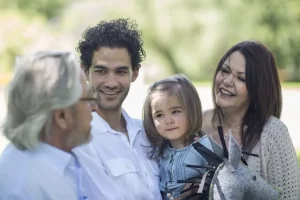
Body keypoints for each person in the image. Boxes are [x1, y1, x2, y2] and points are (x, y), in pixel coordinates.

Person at [74, 18, 162, 200]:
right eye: (101, 71)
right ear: (85, 71)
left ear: (135, 73)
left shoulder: (149, 133)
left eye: (121, 71)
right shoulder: (78, 142)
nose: (111, 82)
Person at [202, 41, 300, 199]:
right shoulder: (193, 123)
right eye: (225, 70)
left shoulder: (274, 133)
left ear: (257, 89)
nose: (227, 81)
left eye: (241, 78)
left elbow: (290, 197)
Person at [0, 51, 95, 200]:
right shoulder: (28, 186)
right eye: (88, 98)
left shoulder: (55, 160)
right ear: (62, 116)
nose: (94, 107)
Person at [142, 74, 212, 200]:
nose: (168, 120)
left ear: (191, 110)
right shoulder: (159, 149)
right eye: (159, 115)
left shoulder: (204, 147)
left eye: (175, 111)